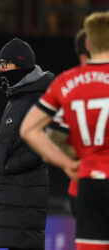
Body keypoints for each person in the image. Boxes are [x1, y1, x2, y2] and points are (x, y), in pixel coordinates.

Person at [20, 11, 109, 250]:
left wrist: (67, 163)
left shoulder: (67, 83)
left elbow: (32, 131)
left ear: (88, 44)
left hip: (87, 183)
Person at [0, 38, 55, 250]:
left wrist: (9, 166)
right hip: (14, 194)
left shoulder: (39, 98)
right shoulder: (18, 98)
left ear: (21, 65)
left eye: (4, 63)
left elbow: (47, 143)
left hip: (25, 193)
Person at [45, 27, 91, 217]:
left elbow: (50, 138)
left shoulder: (69, 87)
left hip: (84, 189)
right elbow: (51, 138)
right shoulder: (74, 88)